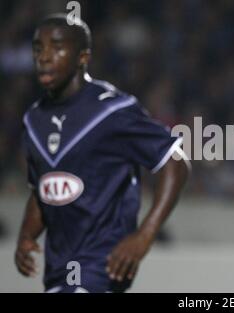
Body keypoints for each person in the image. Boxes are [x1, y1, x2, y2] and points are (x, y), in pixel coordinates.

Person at [15, 14, 190, 293]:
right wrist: (26, 235)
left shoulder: (111, 110)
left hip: (102, 265)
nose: (45, 56)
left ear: (82, 57)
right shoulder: (34, 119)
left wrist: (145, 235)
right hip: (58, 271)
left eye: (57, 47)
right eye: (39, 48)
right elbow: (44, 189)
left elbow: (176, 161)